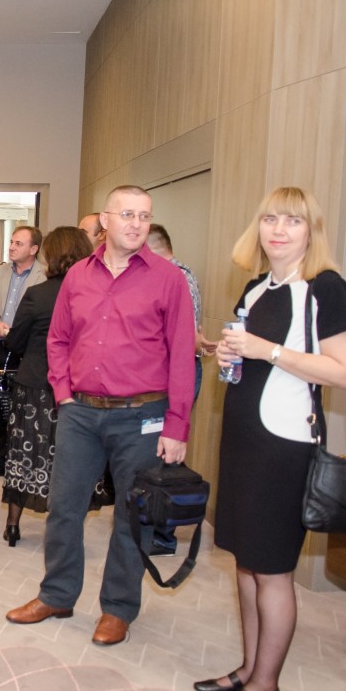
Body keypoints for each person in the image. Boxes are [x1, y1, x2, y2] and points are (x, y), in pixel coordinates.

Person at [5, 185, 195, 647]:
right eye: (127, 214)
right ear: (105, 221)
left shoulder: (168, 278)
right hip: (81, 413)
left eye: (144, 216)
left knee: (132, 516)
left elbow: (182, 355)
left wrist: (177, 425)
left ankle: (117, 608)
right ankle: (57, 595)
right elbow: (58, 339)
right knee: (63, 508)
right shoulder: (78, 276)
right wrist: (62, 391)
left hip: (142, 416)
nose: (136, 223)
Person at [196, 187, 346, 691]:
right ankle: (249, 668)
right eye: (270, 219)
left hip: (284, 445)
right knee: (246, 563)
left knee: (271, 569)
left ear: (311, 231)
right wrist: (228, 355)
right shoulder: (257, 287)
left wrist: (265, 350)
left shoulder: (326, 287)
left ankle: (265, 687)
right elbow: (249, 364)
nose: (279, 230)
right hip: (243, 437)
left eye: (293, 221)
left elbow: (345, 371)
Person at [0, 227, 93, 545]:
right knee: (72, 457)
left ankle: (13, 524)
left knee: (24, 453)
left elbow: (15, 341)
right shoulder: (92, 294)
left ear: (50, 255)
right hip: (79, 389)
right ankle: (67, 527)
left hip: (35, 385)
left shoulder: (38, 294)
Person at [145, 223, 217, 555]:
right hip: (166, 372)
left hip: (177, 374)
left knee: (167, 452)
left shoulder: (178, 278)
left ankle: (163, 533)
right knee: (156, 451)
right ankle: (150, 522)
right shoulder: (170, 275)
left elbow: (184, 339)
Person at [0, 226, 46, 478]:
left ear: (33, 249)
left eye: (18, 243)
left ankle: (21, 462)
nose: (12, 247)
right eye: (12, 242)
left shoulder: (44, 276)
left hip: (27, 352)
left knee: (25, 407)